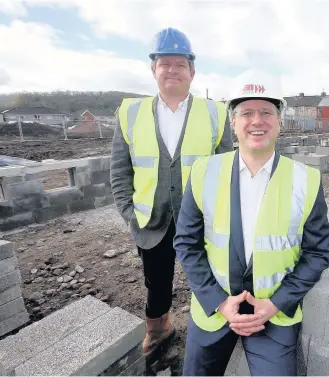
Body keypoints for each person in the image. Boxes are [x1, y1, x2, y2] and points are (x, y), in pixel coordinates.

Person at [173, 71, 329, 376]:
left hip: (273, 314)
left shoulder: (306, 179)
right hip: (214, 309)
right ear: (233, 122)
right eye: (246, 112)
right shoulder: (203, 172)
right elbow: (186, 243)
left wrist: (275, 304)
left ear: (279, 120)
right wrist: (219, 302)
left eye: (266, 112)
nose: (256, 121)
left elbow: (319, 252)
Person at [110, 27, 234, 357]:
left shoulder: (215, 113)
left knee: (208, 278)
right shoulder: (129, 113)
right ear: (153, 69)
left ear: (192, 71)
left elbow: (226, 170)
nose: (172, 70)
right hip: (152, 220)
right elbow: (119, 172)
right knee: (157, 281)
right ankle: (159, 329)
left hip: (202, 219)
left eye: (180, 63)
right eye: (164, 63)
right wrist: (130, 214)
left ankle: (209, 333)